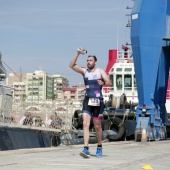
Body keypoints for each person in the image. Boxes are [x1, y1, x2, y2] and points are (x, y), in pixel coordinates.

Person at [69, 48, 112, 158]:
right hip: (87, 100)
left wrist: (103, 82)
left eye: (90, 60)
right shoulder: (85, 72)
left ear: (95, 62)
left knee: (97, 126)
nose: (88, 62)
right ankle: (86, 148)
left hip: (98, 101)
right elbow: (71, 65)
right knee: (85, 123)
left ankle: (99, 145)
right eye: (87, 60)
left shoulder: (100, 71)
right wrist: (78, 53)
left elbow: (109, 82)